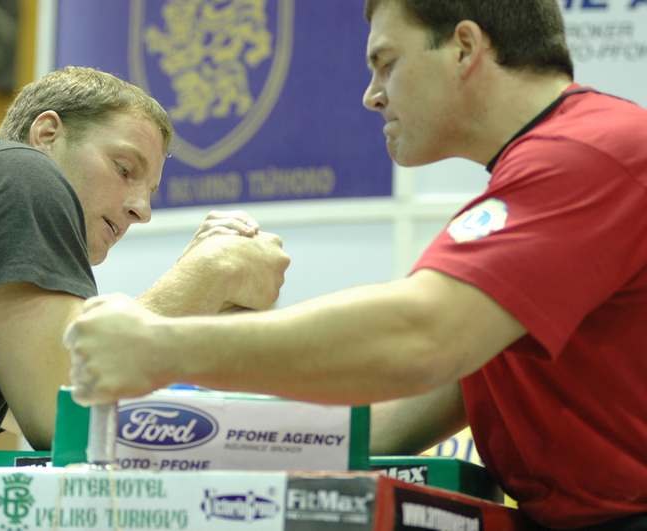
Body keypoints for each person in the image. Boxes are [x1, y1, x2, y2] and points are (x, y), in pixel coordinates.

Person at [63, 1, 647, 529]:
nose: (372, 93)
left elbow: (418, 336)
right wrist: (181, 434)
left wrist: (161, 348)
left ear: (465, 48)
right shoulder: (555, 174)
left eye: (386, 62)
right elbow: (385, 415)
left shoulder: (586, 156)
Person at [0, 66, 290, 466]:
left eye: (151, 191)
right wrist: (211, 273)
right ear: (46, 135)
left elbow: (69, 400)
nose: (142, 209)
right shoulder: (20, 171)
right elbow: (64, 416)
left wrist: (200, 323)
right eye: (124, 169)